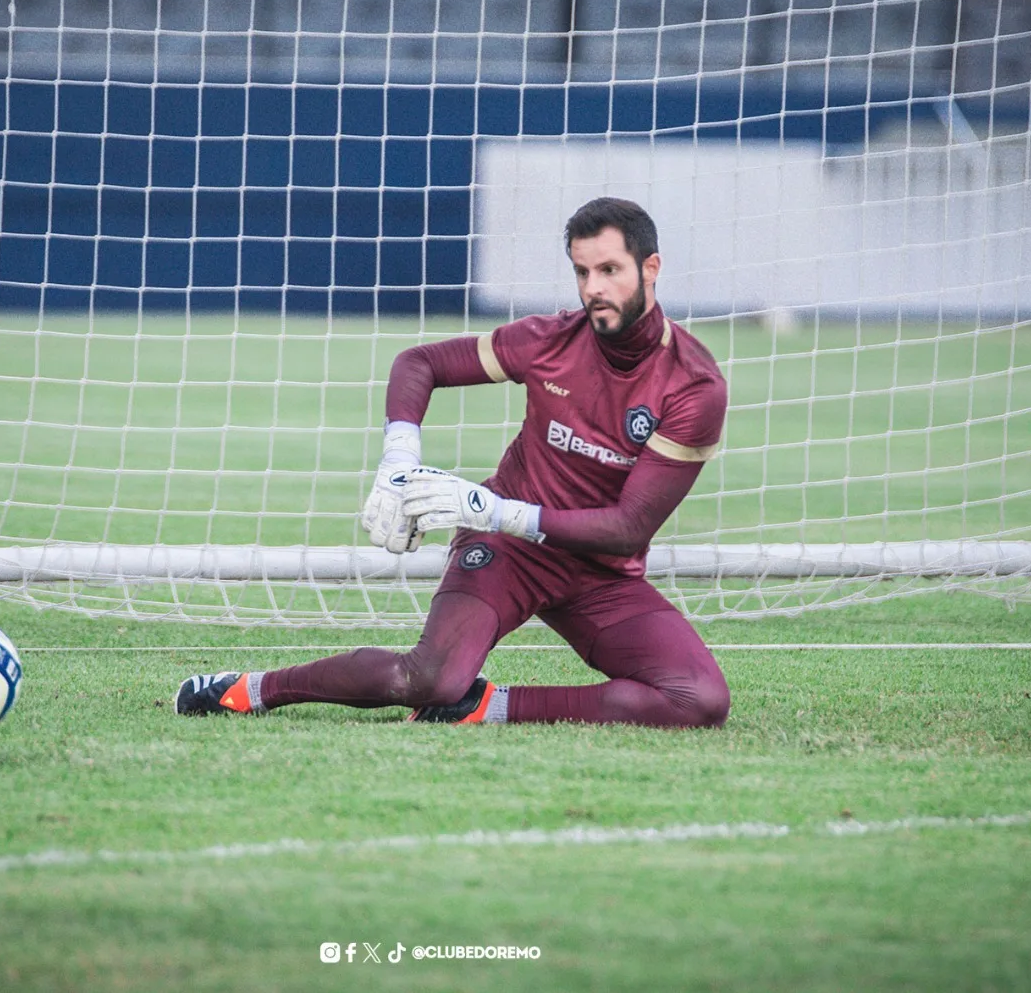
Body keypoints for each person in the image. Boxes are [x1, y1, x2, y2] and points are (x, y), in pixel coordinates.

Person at [175, 197, 731, 727]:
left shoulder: (693, 386)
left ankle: (486, 707)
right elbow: (419, 363)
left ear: (650, 266)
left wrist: (496, 509)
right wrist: (398, 460)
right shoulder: (549, 341)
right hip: (508, 552)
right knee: (431, 678)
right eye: (583, 272)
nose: (594, 289)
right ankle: (247, 688)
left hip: (597, 570)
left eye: (610, 269)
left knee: (698, 699)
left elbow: (627, 528)